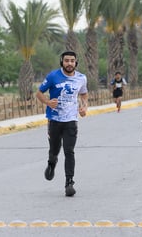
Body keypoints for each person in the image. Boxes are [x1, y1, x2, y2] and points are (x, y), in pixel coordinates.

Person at [36, 51, 88, 197]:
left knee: (69, 150)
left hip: (71, 120)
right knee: (54, 149)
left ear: (76, 62)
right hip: (54, 120)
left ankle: (69, 182)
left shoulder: (81, 78)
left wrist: (84, 106)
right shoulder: (53, 76)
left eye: (72, 61)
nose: (69, 63)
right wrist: (47, 102)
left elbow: (84, 94)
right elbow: (39, 93)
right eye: (67, 60)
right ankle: (51, 163)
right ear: (62, 62)